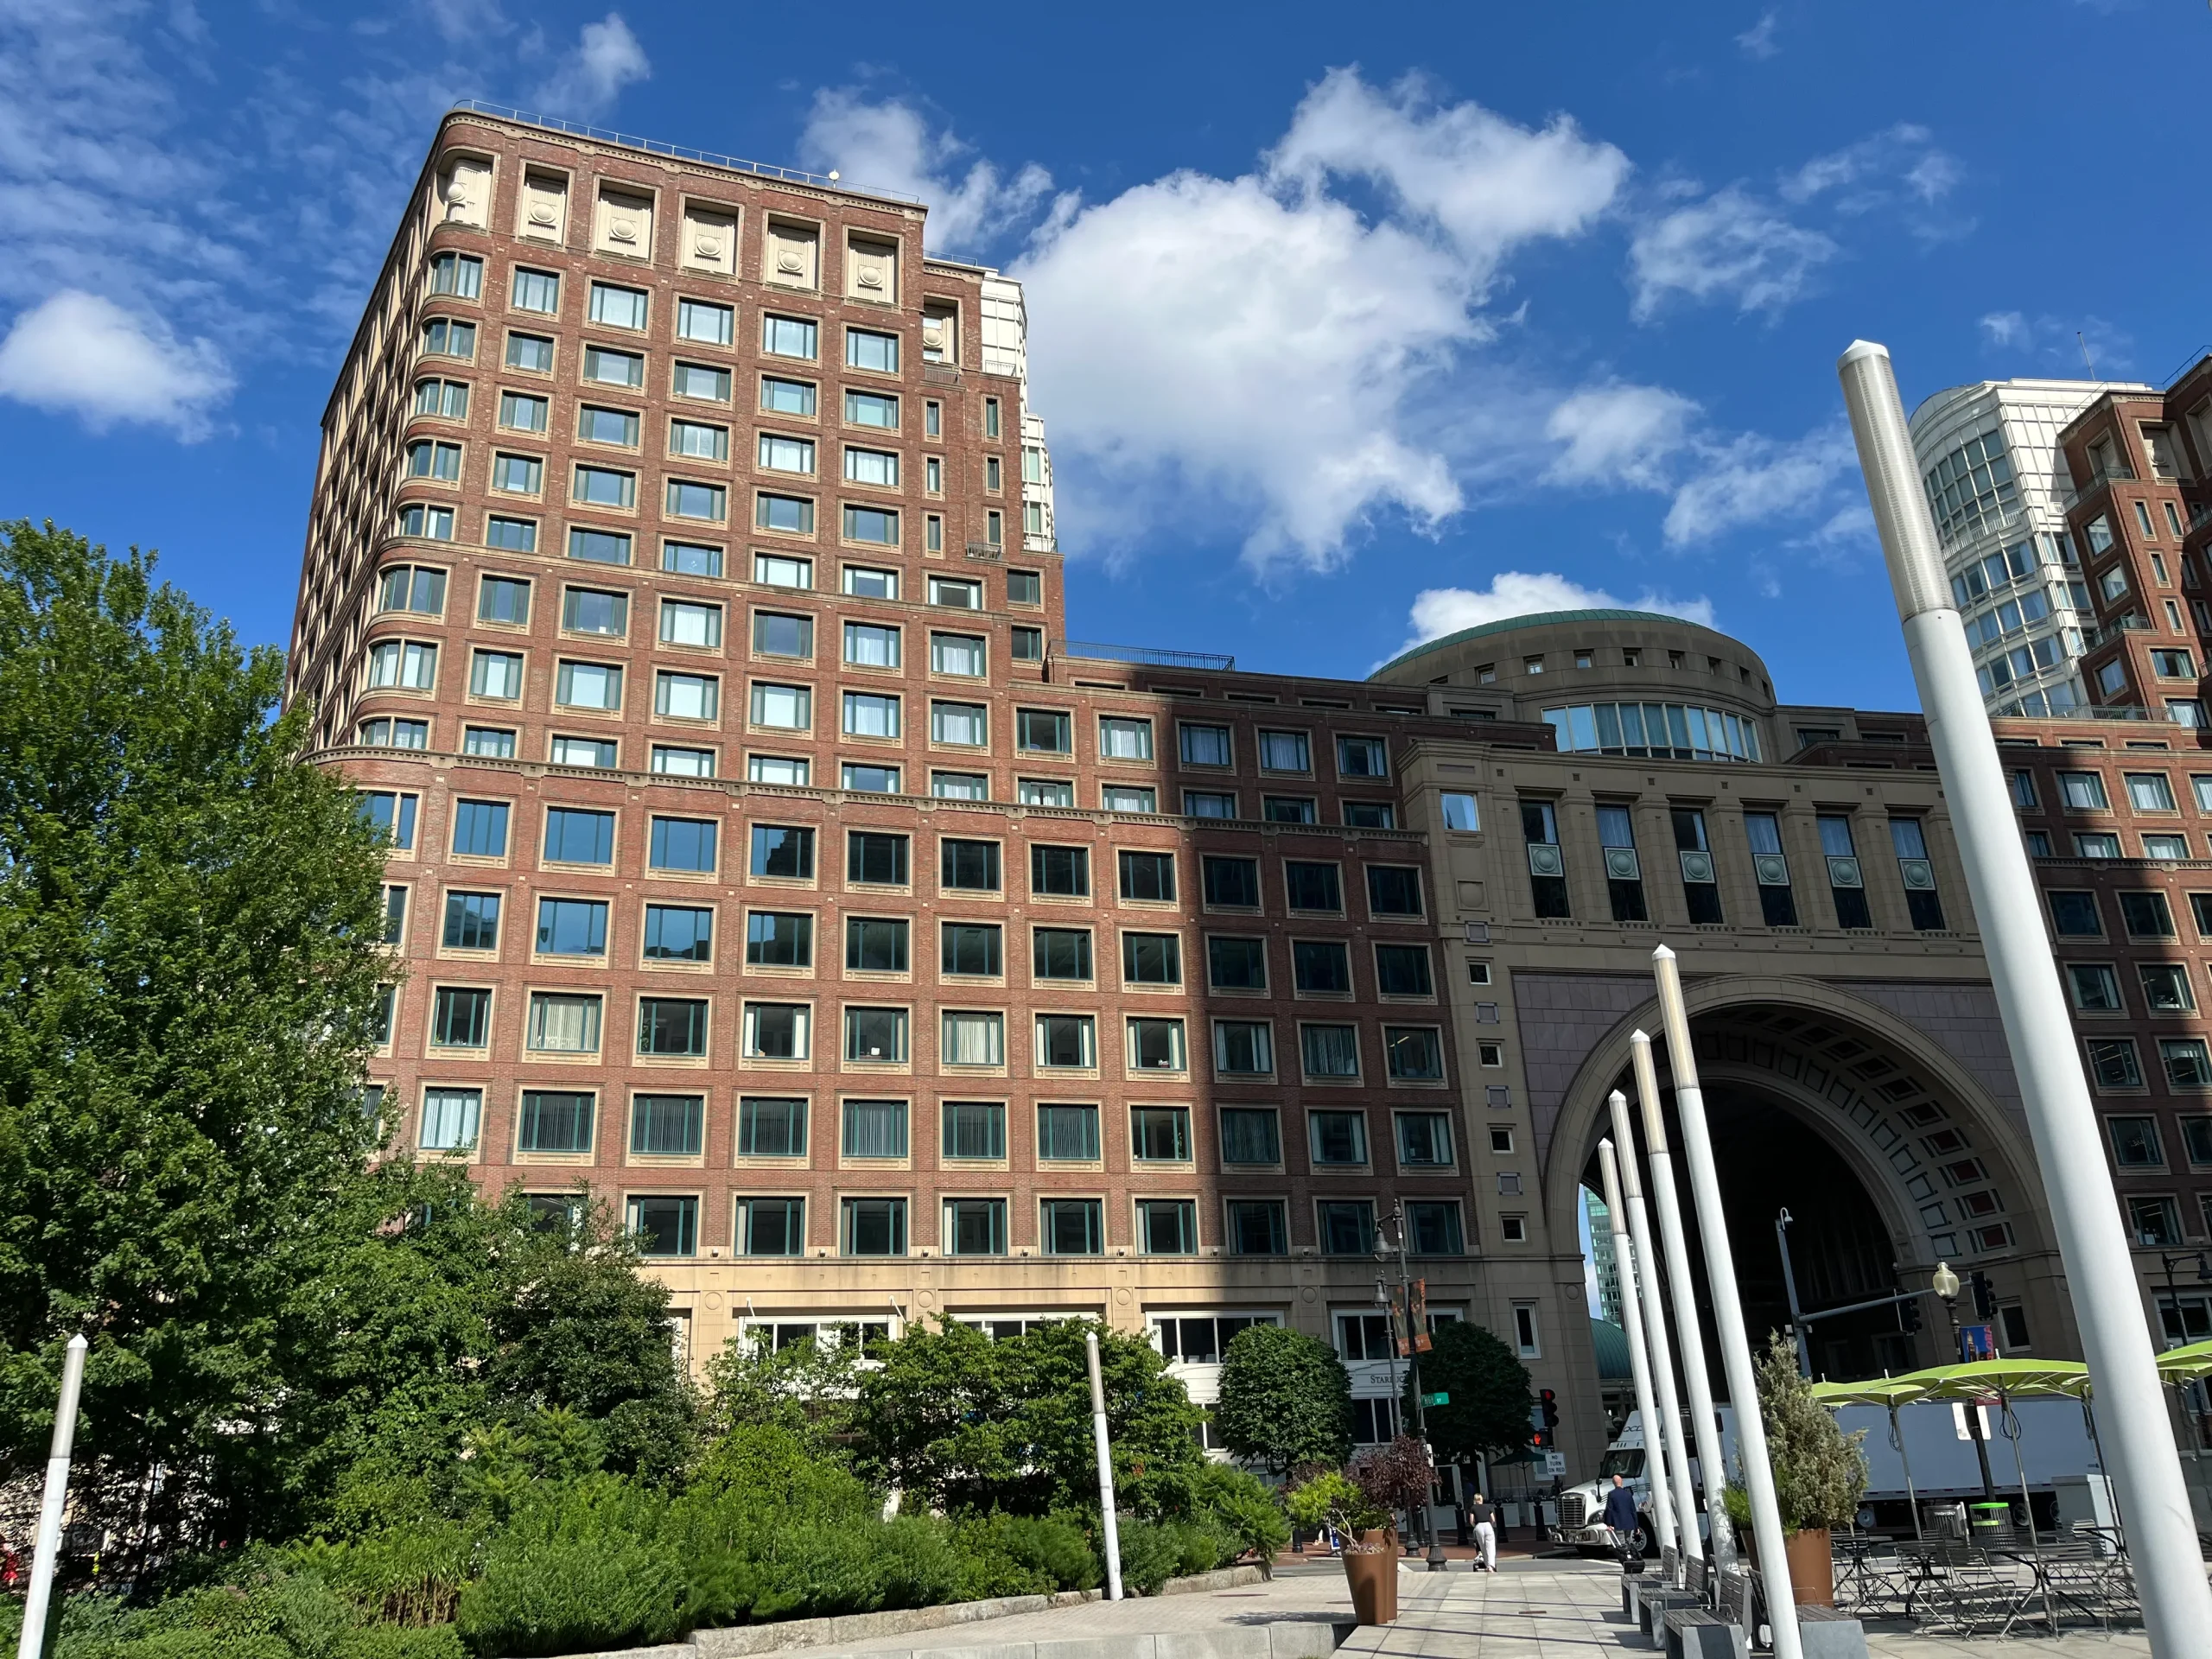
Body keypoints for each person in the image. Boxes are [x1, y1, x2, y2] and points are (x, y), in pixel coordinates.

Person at [1601, 1473, 1642, 1572]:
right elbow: (1633, 1511)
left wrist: (1609, 1524)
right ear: (1621, 1482)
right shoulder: (1628, 1494)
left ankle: (1626, 1564)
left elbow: (1609, 1509)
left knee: (1621, 1546)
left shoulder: (1612, 1494)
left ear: (1613, 1483)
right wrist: (1636, 1526)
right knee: (1628, 1543)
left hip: (1618, 1524)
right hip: (1629, 1524)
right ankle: (1632, 1563)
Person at [1469, 1491, 1499, 1572]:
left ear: (1475, 1500)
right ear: (1481, 1499)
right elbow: (1493, 1519)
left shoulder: (1473, 1508)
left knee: (1483, 1547)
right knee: (1491, 1547)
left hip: (1479, 1526)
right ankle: (1491, 1566)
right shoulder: (1488, 1507)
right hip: (1488, 1525)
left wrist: (1475, 1527)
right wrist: (1491, 1525)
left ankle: (1487, 1565)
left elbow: (1471, 1521)